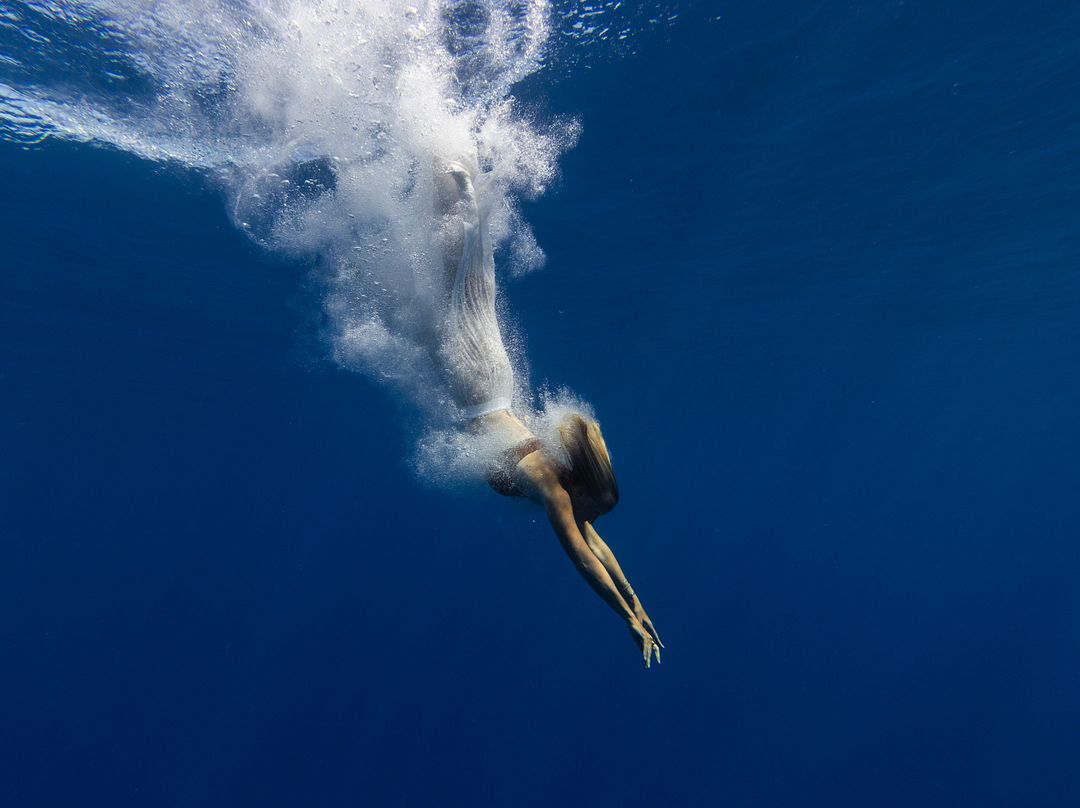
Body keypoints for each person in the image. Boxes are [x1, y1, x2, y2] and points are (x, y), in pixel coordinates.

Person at [434, 160, 663, 667]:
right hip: (477, 388)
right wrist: (623, 618)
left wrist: (637, 602)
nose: (589, 523)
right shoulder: (553, 490)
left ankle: (466, 195)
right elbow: (582, 558)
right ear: (578, 490)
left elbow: (598, 549)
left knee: (473, 292)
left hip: (496, 384)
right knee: (460, 289)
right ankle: (465, 197)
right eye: (591, 512)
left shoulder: (563, 480)